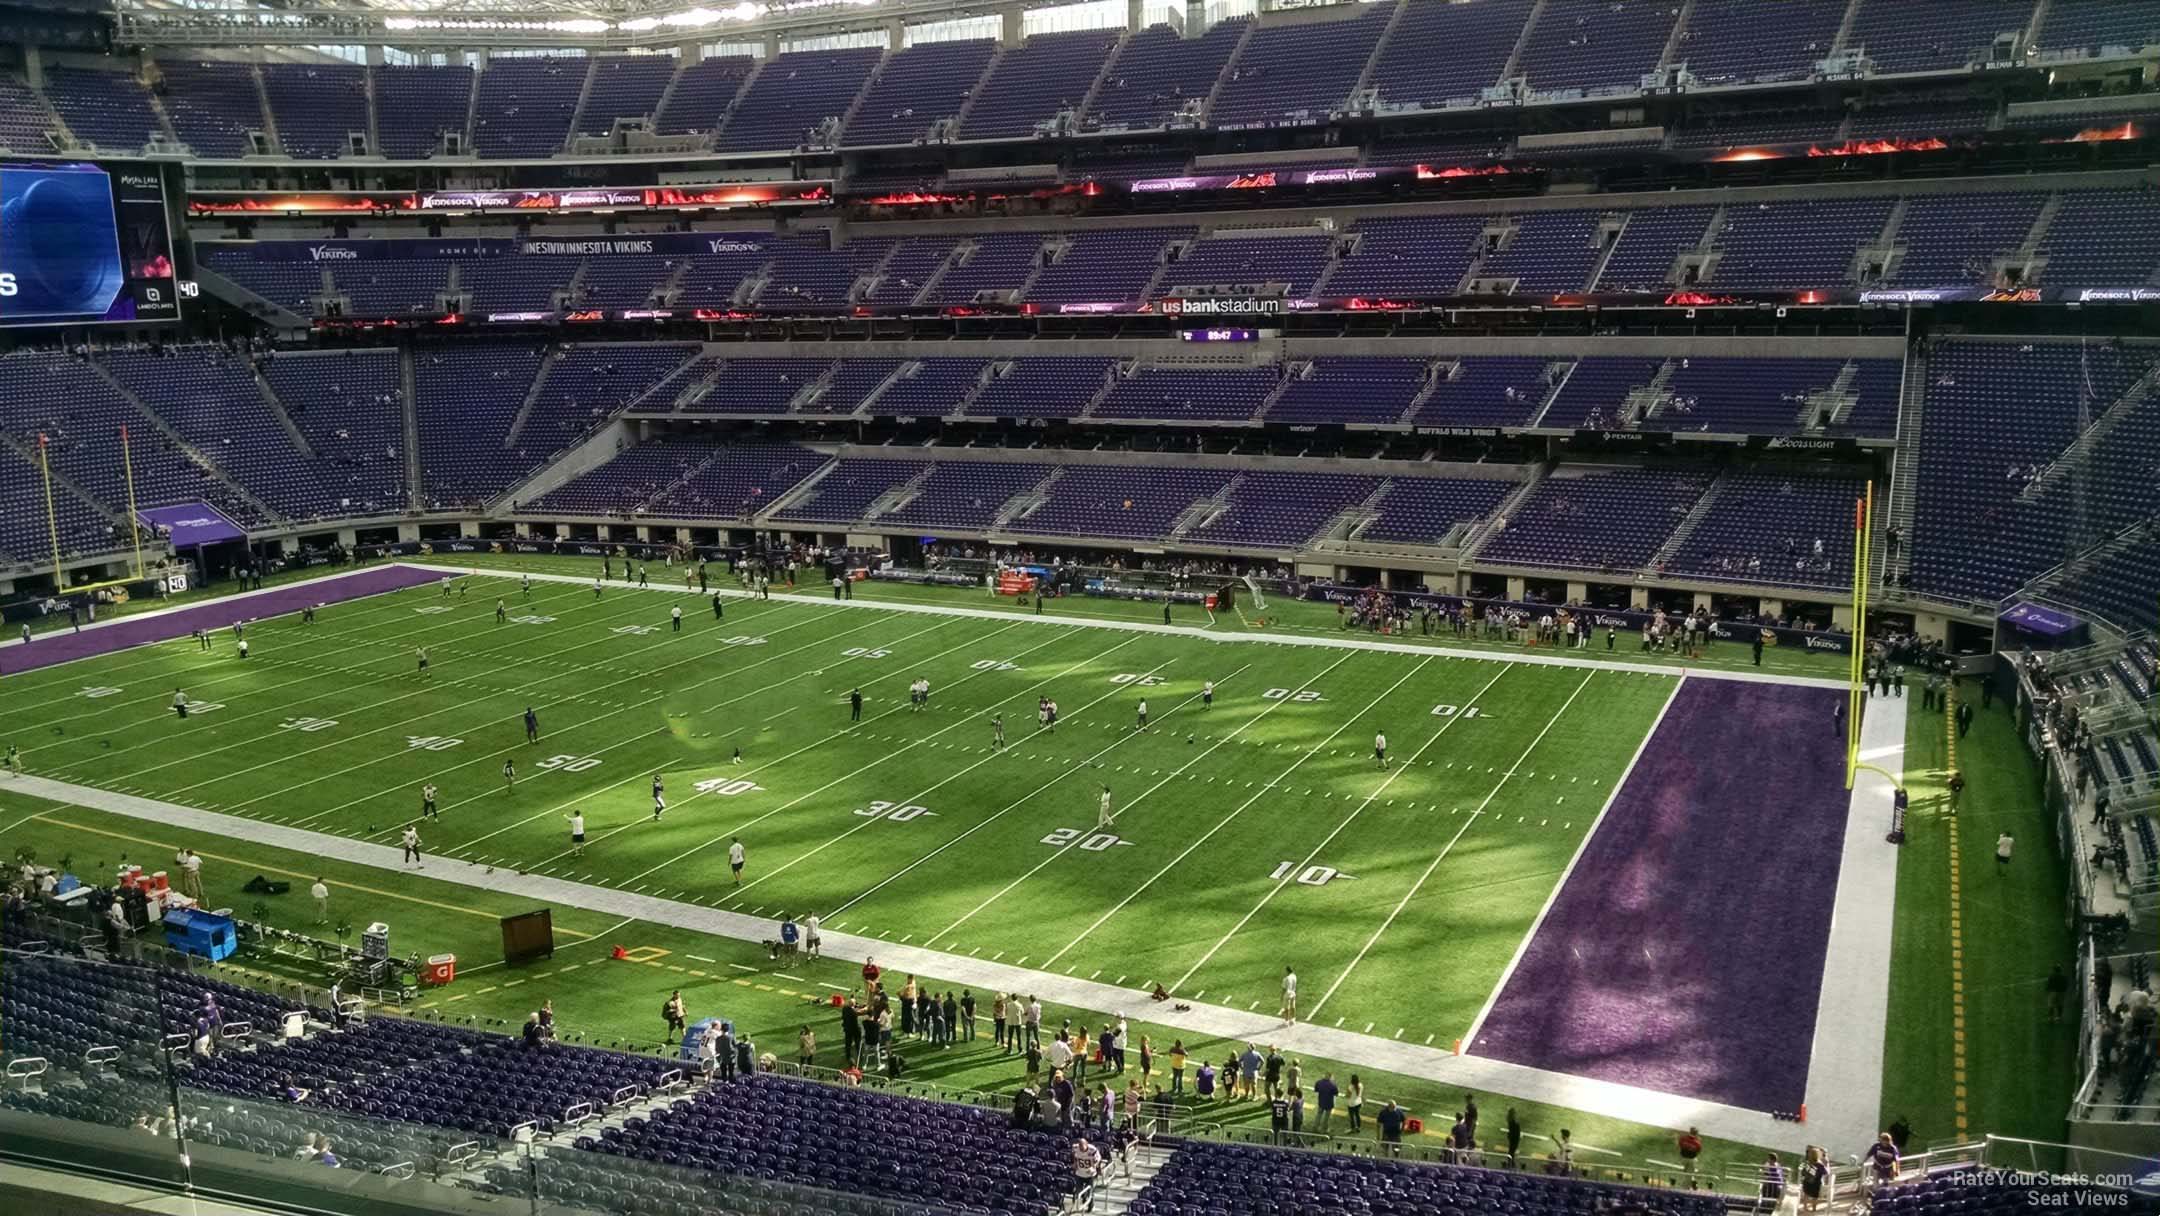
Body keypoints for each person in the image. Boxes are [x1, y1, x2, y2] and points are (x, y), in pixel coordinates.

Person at [1800, 1145, 1830, 1211]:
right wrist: (1826, 1166)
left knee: (1806, 1194)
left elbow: (1803, 1172)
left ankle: (1805, 1208)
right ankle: (1814, 1209)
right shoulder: (1820, 1165)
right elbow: (1826, 1173)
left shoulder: (1807, 1163)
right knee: (1815, 1197)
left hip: (1807, 1181)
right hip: (1816, 1183)